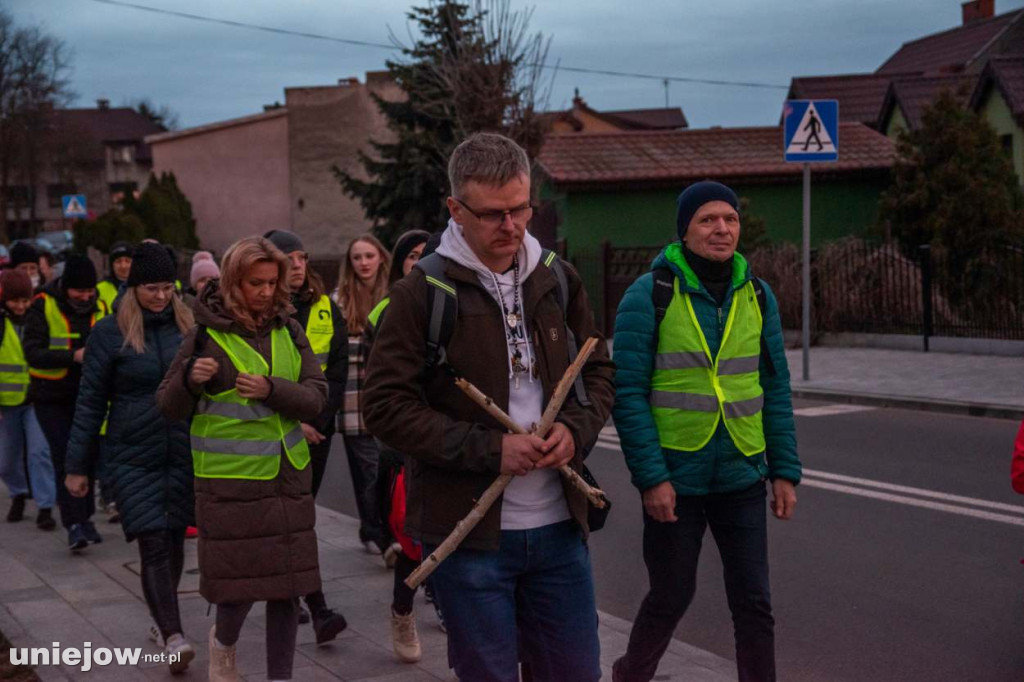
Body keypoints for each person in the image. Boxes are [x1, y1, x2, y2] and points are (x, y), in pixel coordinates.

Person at [363, 132, 615, 682]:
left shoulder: (557, 278)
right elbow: (382, 407)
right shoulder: (420, 293)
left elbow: (596, 369)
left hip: (559, 530)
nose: (512, 226)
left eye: (522, 209)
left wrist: (575, 429)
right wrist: (489, 449)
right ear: (455, 209)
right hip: (469, 536)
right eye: (494, 214)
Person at [611, 181, 801, 682]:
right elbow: (626, 393)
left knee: (754, 604)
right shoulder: (649, 294)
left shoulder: (757, 294)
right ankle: (632, 673)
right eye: (708, 219)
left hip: (742, 473)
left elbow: (774, 387)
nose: (722, 229)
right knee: (671, 596)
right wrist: (652, 479)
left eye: (730, 219)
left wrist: (784, 470)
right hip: (677, 478)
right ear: (685, 230)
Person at [156, 236, 327, 682]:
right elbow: (168, 407)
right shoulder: (204, 336)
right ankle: (223, 645)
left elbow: (316, 397)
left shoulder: (289, 329)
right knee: (237, 591)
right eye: (256, 283)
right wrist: (191, 381)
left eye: (272, 282)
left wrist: (273, 390)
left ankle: (280, 678)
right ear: (234, 282)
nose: (267, 292)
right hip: (230, 486)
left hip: (287, 482)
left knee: (287, 591)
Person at [64, 243, 197, 673]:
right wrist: (77, 467)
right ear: (132, 287)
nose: (160, 296)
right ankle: (174, 634)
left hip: (182, 450)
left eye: (167, 288)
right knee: (153, 542)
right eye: (151, 289)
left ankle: (164, 619)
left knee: (175, 538)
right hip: (131, 453)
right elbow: (90, 402)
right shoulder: (110, 332)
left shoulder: (188, 323)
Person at [263, 228, 349, 645]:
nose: (298, 266)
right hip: (276, 430)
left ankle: (297, 595)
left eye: (302, 257)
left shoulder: (324, 309)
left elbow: (336, 371)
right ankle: (314, 605)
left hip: (316, 429)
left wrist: (318, 420)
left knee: (300, 515)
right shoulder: (259, 310)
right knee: (290, 517)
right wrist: (294, 421)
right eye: (288, 258)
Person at [364, 228, 431, 663]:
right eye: (413, 256)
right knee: (411, 534)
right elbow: (381, 386)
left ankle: (448, 604)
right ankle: (403, 610)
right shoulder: (386, 311)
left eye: (427, 256)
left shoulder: (453, 302)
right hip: (409, 440)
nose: (419, 262)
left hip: (457, 436)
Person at [23, 254, 108, 551]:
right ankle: (74, 524)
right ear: (66, 287)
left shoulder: (101, 307)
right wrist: (73, 356)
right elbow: (32, 352)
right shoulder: (41, 305)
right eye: (79, 292)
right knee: (64, 457)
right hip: (51, 397)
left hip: (89, 396)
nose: (85, 297)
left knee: (87, 456)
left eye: (89, 291)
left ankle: (85, 519)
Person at [332, 234, 390, 554]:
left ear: (381, 257)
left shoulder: (395, 293)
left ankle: (376, 527)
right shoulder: (339, 299)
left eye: (369, 255)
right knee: (365, 467)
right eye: (357, 257)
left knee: (385, 465)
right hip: (353, 395)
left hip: (385, 393)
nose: (364, 263)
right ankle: (374, 530)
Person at [0, 269, 57, 530]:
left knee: (39, 452)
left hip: (35, 399)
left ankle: (45, 506)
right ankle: (18, 493)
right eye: (15, 301)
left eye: (25, 300)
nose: (21, 306)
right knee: (6, 459)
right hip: (7, 404)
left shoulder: (36, 319)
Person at [96, 241, 133, 312]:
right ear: (112, 265)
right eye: (118, 261)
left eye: (127, 261)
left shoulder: (142, 287)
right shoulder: (99, 289)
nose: (123, 266)